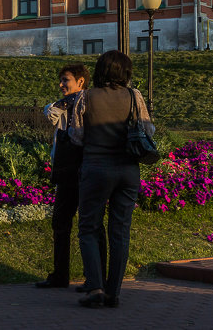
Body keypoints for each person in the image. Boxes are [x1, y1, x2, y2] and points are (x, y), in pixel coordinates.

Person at [70, 50, 154, 309]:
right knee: (120, 230)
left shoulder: (86, 96)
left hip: (95, 168)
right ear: (125, 73)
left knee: (89, 227)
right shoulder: (134, 96)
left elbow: (76, 135)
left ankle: (95, 286)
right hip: (128, 171)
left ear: (100, 71)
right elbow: (147, 130)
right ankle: (113, 292)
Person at [35, 63, 101, 289]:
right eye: (61, 80)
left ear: (80, 81)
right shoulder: (67, 105)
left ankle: (94, 277)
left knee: (88, 225)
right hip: (70, 172)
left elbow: (50, 112)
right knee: (63, 223)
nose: (61, 84)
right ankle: (62, 274)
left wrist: (76, 99)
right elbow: (49, 111)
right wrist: (69, 100)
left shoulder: (89, 102)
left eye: (66, 80)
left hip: (82, 169)